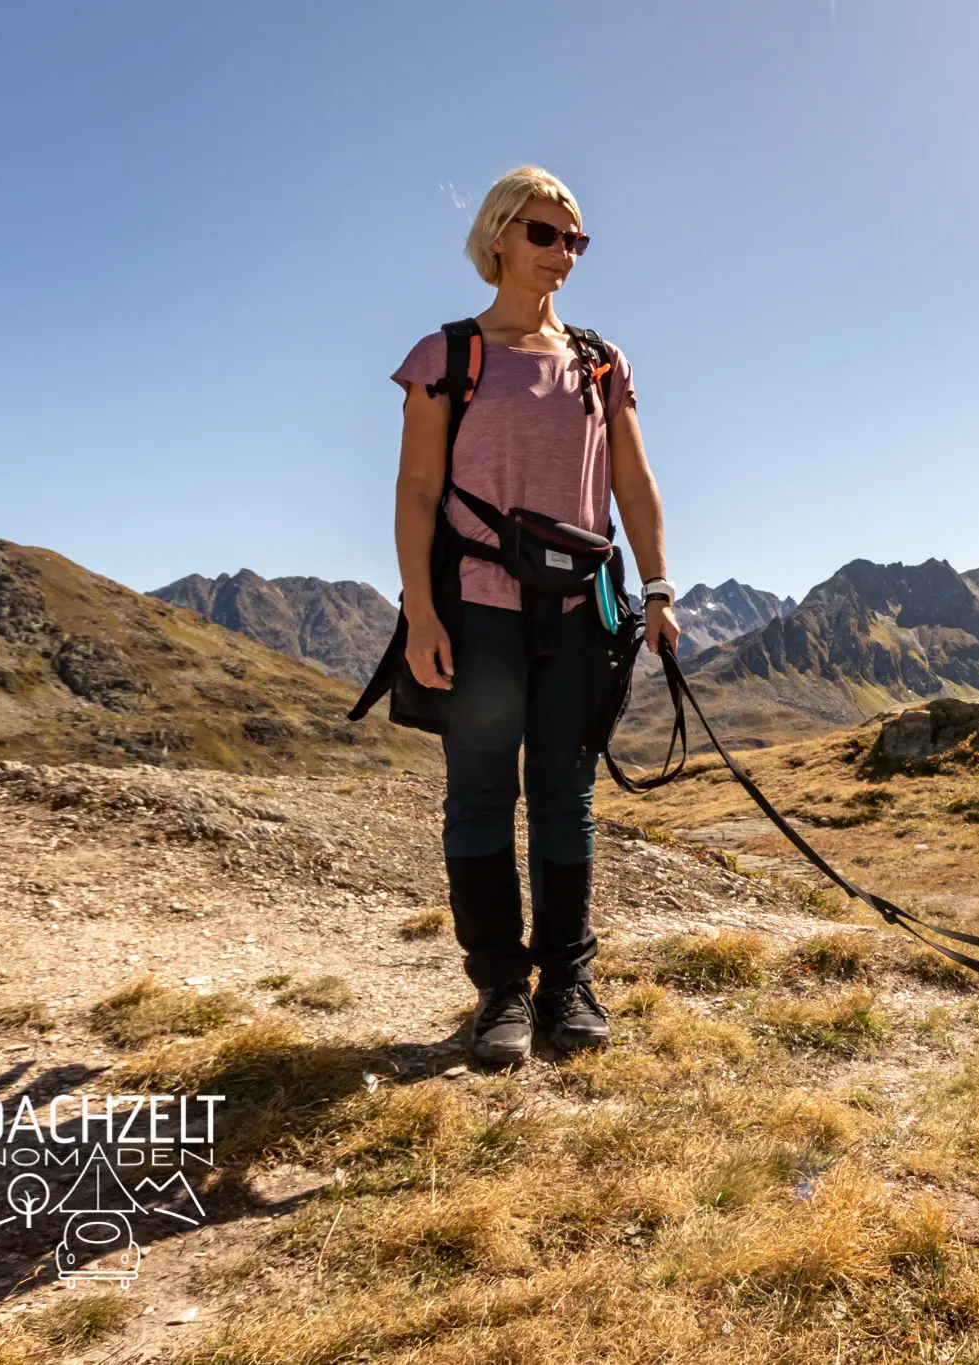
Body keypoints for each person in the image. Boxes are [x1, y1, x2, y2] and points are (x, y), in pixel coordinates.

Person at [391, 166, 680, 1066]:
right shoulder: (447, 357)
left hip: (581, 615)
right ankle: (499, 992)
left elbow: (632, 482)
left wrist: (661, 587)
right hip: (477, 612)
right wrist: (422, 614)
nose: (565, 253)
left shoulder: (601, 362)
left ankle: (566, 982)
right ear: (500, 236)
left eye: (576, 239)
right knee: (479, 800)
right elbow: (417, 490)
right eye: (547, 234)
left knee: (567, 798)